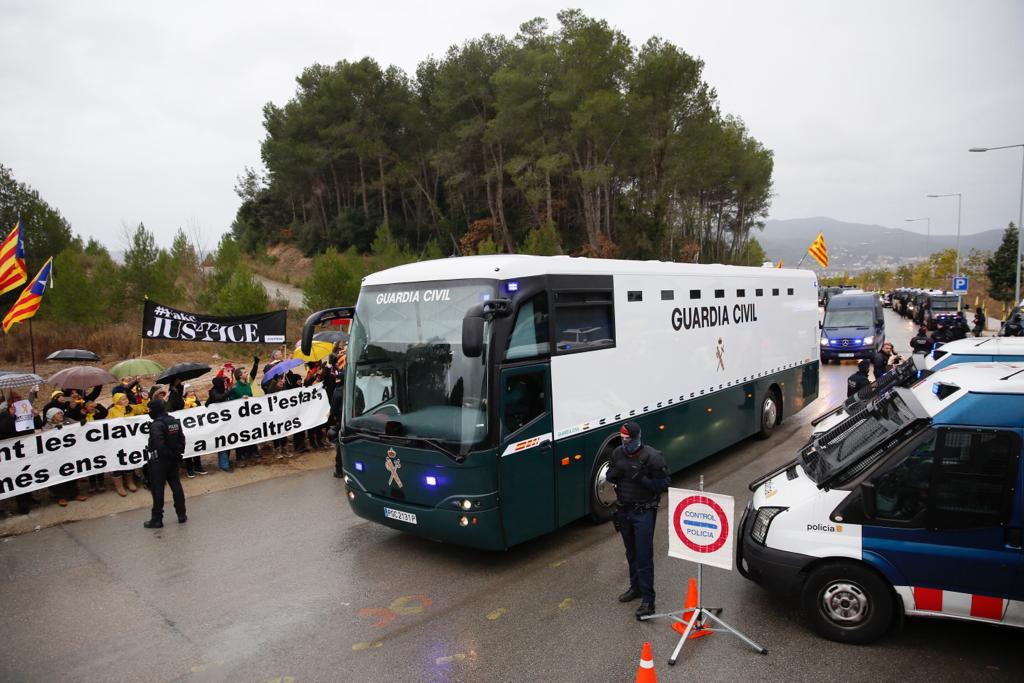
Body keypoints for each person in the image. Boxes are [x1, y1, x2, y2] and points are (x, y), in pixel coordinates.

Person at [606, 422, 669, 620]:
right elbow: (609, 475)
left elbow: (665, 484)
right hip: (624, 511)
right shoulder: (617, 453)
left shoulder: (652, 457)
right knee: (631, 553)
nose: (625, 443)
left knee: (643, 556)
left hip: (644, 513)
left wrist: (643, 479)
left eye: (628, 440)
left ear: (637, 438)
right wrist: (612, 475)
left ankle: (648, 601)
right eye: (622, 439)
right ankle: (636, 588)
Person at [143, 399, 187, 529]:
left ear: (155, 410)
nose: (149, 412)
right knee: (176, 486)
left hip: (160, 461)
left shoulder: (157, 425)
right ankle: (181, 514)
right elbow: (181, 439)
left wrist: (171, 454)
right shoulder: (173, 420)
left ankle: (157, 519)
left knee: (158, 489)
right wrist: (177, 454)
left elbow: (159, 445)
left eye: (150, 410)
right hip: (173, 459)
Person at [206, 376, 234, 471]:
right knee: (223, 444)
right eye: (223, 382)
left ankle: (225, 462)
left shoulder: (223, 390)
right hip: (219, 424)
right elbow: (219, 398)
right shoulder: (214, 392)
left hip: (226, 422)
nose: (224, 384)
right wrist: (230, 391)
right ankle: (224, 465)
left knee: (228, 442)